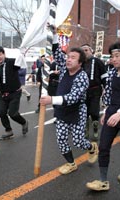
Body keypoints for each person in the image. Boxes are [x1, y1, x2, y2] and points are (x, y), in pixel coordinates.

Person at [40, 28, 98, 175]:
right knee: (61, 140)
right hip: (62, 112)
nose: (68, 59)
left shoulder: (82, 77)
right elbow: (57, 52)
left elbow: (73, 97)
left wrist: (51, 99)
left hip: (77, 112)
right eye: (68, 56)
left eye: (72, 57)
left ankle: (92, 147)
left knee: (78, 141)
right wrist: (53, 34)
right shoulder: (65, 70)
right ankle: (71, 163)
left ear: (80, 62)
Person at [86, 42, 120, 191]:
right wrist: (106, 111)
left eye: (117, 55)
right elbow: (109, 93)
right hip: (112, 111)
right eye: (112, 56)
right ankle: (103, 180)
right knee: (104, 145)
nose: (114, 59)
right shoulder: (112, 72)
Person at [0, 46, 28, 140]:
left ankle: (24, 122)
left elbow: (20, 64)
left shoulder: (12, 62)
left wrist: (22, 54)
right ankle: (9, 131)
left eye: (0, 54)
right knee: (2, 113)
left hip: (15, 92)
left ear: (4, 54)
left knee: (13, 113)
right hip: (3, 94)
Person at [81, 44, 107, 139]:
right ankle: (86, 130)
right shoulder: (80, 63)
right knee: (84, 112)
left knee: (94, 111)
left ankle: (95, 128)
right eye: (82, 50)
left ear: (91, 51)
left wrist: (106, 88)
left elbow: (104, 76)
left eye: (86, 50)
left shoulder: (98, 62)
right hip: (83, 91)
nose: (84, 52)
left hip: (95, 90)